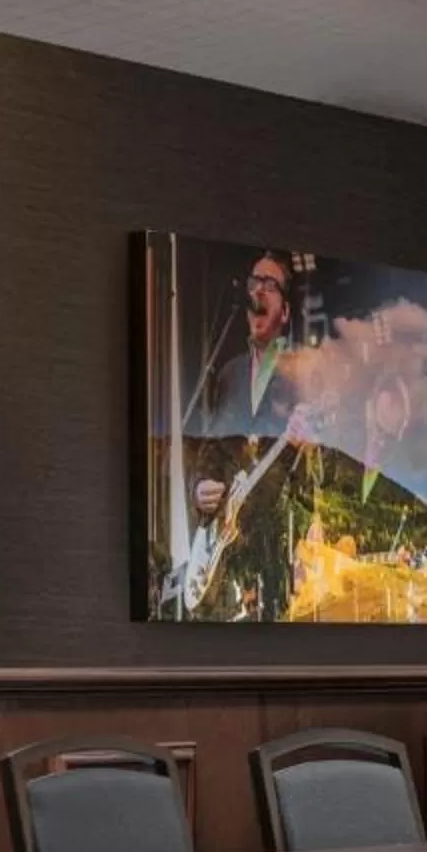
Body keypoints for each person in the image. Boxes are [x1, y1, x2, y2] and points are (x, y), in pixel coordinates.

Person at [174, 249, 318, 620]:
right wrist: (198, 488)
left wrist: (307, 448)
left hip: (276, 556)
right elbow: (211, 451)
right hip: (226, 557)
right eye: (255, 283)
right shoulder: (229, 375)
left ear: (285, 312)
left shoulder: (305, 373)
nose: (258, 290)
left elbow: (317, 481)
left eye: (270, 285)